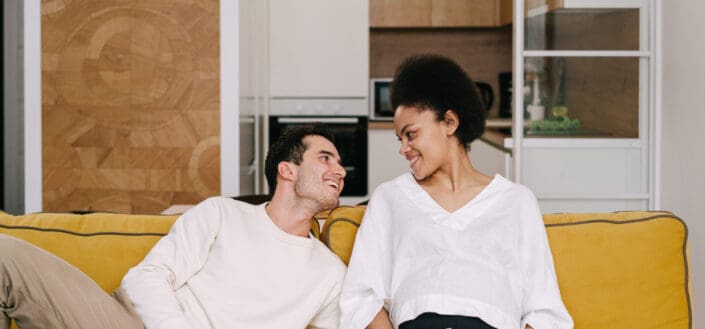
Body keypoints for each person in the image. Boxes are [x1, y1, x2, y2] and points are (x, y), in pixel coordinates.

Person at [0, 124, 347, 329]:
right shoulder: (223, 213)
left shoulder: (329, 273)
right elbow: (144, 277)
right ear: (287, 170)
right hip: (127, 320)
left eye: (341, 164)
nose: (341, 171)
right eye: (325, 158)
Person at [339, 55, 573, 329]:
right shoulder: (389, 198)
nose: (403, 148)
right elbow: (360, 298)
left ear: (449, 122)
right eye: (399, 139)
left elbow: (544, 312)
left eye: (411, 134)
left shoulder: (516, 201)